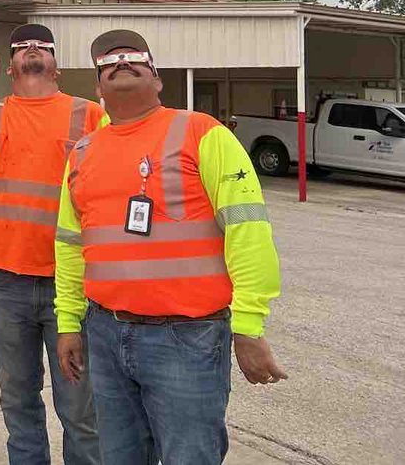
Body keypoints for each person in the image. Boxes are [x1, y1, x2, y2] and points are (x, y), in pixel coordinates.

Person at [54, 29, 285, 465]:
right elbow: (69, 245)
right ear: (97, 85)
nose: (122, 62)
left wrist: (249, 326)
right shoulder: (82, 153)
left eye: (136, 57)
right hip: (104, 333)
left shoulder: (202, 133)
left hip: (187, 339)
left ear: (158, 79)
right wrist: (69, 322)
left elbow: (248, 230)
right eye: (109, 61)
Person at [0, 24, 105, 465]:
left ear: (56, 64)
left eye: (43, 46)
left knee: (80, 410)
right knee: (18, 401)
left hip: (70, 284)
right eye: (21, 47)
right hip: (8, 282)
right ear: (11, 66)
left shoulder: (87, 113)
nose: (32, 50)